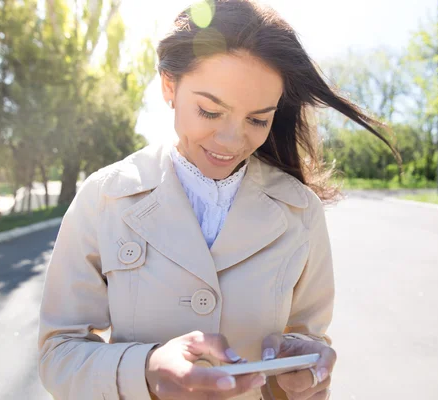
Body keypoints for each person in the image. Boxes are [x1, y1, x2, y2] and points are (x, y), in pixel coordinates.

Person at [37, 0, 397, 399]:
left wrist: (306, 375)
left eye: (258, 119)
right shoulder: (104, 197)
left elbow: (309, 342)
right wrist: (148, 371)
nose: (231, 141)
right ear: (169, 86)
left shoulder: (300, 211)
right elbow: (59, 353)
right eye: (209, 111)